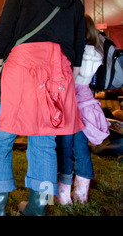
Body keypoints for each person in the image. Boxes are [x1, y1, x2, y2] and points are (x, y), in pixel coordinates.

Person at [0, 0, 86, 216]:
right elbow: (79, 42)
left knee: (2, 140)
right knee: (45, 143)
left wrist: (0, 65)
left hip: (20, 70)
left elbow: (2, 34)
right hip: (56, 74)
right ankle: (37, 207)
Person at [55, 14, 110, 205]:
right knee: (81, 150)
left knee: (64, 149)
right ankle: (81, 195)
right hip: (86, 108)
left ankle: (63, 196)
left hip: (70, 106)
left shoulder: (73, 52)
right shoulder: (96, 52)